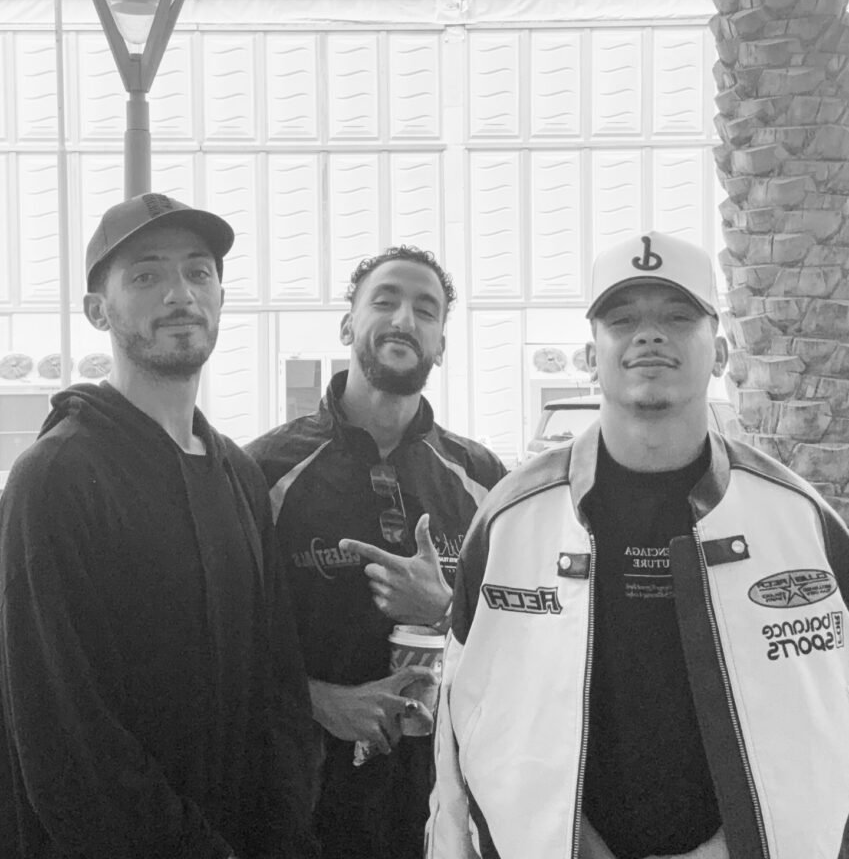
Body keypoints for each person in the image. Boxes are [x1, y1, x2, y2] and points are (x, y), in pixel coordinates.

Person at [427, 230, 849, 859]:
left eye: (678, 317)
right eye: (622, 319)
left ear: (721, 353)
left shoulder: (799, 520)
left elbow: (828, 719)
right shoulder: (511, 521)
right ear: (590, 356)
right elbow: (467, 717)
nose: (649, 336)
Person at [0, 193, 318, 859]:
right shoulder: (54, 479)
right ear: (98, 311)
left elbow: (278, 685)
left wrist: (283, 832)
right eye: (146, 275)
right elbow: (63, 731)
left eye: (198, 272)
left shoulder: (236, 472)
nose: (180, 294)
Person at [247, 245, 506, 859]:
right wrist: (321, 701)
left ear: (442, 343)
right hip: (301, 801)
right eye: (384, 301)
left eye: (426, 309)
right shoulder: (263, 471)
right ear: (348, 325)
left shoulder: (483, 479)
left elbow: (530, 641)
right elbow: (225, 639)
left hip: (443, 804)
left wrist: (446, 610)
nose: (404, 319)